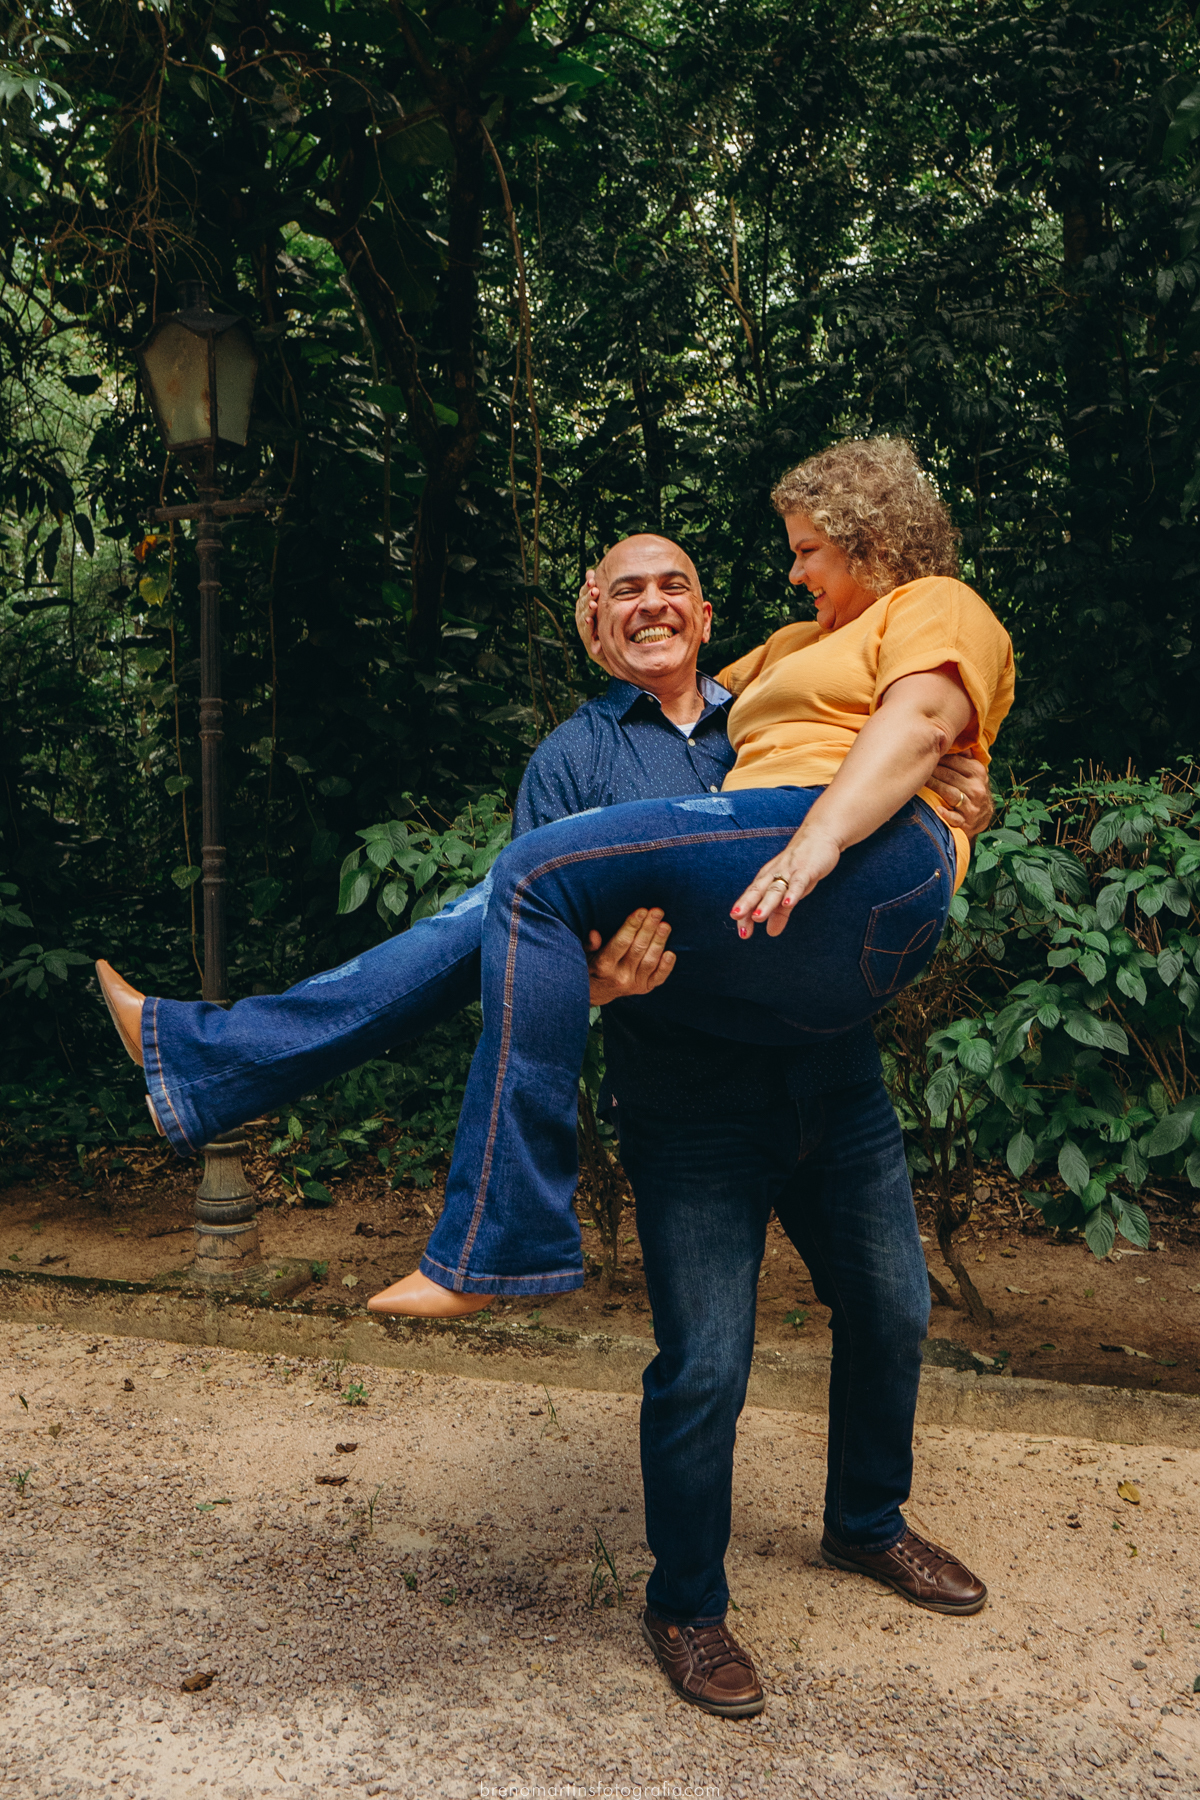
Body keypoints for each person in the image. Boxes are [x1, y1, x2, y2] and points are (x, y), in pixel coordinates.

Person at [97, 435, 1010, 1716]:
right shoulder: (576, 764)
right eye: (622, 589)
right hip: (689, 1101)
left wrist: (950, 775)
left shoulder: (766, 704)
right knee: (703, 1365)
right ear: (595, 625)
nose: (652, 602)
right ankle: (687, 1606)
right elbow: (526, 958)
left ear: (705, 612)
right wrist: (598, 988)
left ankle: (867, 1518)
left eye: (674, 584)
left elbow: (905, 692)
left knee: (896, 1314)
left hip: (828, 1079)